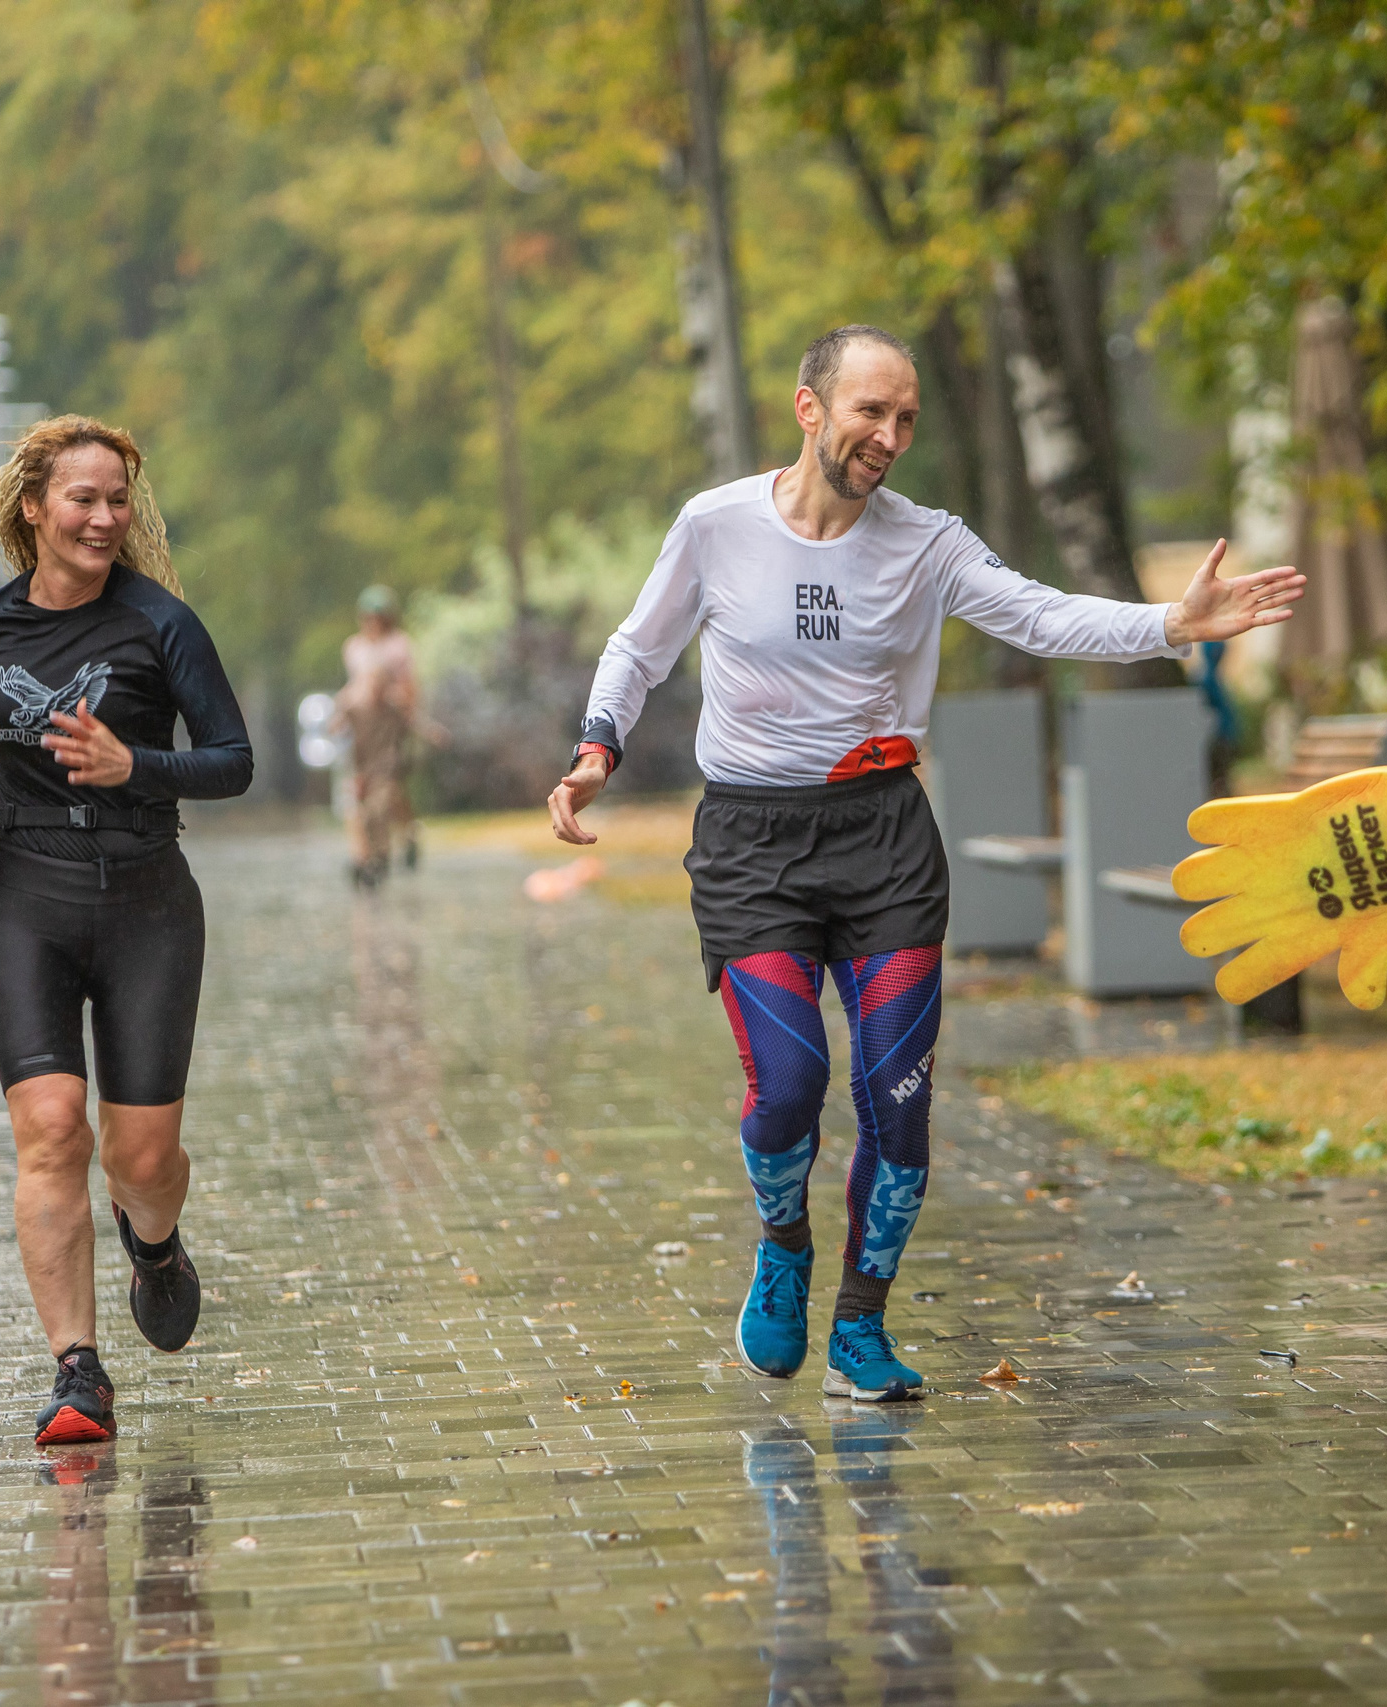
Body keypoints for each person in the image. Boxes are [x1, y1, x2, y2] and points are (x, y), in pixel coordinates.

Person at [548, 325, 1305, 1402]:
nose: (890, 436)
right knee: (790, 1087)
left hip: (882, 844)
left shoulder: (926, 542)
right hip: (751, 843)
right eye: (871, 412)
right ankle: (782, 1243)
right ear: (810, 409)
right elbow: (640, 646)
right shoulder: (714, 526)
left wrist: (1171, 624)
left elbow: (1041, 614)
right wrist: (594, 752)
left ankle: (861, 1322)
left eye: (905, 418)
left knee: (898, 1102)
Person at [0, 415, 253, 1446]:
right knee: (51, 1127)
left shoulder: (162, 626)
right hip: (25, 899)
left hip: (147, 900)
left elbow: (232, 759)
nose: (103, 518)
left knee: (141, 1160)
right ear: (33, 507)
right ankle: (78, 1374)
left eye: (116, 501)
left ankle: (153, 1244)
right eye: (82, 499)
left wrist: (132, 767)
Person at [333, 584, 425, 885]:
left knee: (389, 790)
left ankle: (405, 835)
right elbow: (354, 687)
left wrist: (396, 703)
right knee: (358, 790)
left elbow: (408, 690)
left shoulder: (398, 646)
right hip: (361, 727)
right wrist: (342, 712)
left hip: (389, 728)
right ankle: (365, 855)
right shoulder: (354, 647)